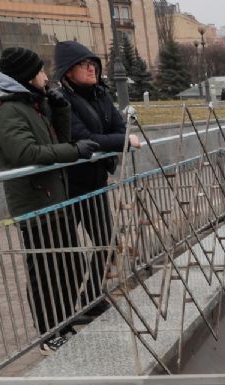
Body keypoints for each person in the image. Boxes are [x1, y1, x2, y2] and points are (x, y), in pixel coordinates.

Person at [0, 47, 100, 354]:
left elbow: (58, 142)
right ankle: (49, 333)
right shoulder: (5, 110)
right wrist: (76, 151)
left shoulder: (31, 104)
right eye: (42, 71)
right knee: (46, 272)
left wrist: (61, 110)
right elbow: (25, 154)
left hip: (55, 198)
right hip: (34, 203)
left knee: (70, 263)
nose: (47, 76)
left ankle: (66, 322)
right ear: (28, 76)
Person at [53, 40, 141, 318]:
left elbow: (118, 125)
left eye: (93, 63)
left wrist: (118, 138)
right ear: (68, 71)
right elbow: (84, 139)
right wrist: (123, 140)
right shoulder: (62, 100)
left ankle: (91, 298)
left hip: (95, 181)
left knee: (106, 239)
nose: (91, 68)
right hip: (69, 185)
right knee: (65, 250)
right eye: (83, 64)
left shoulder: (100, 94)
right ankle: (63, 314)